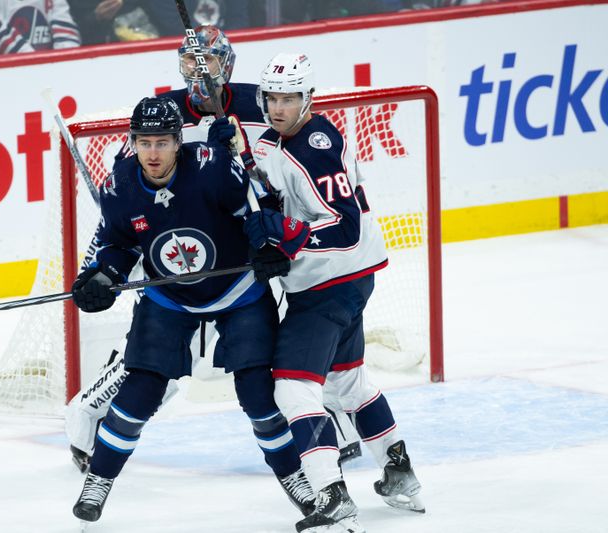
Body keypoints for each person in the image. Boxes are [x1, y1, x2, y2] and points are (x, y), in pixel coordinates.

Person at [64, 23, 362, 475]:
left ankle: (327, 422)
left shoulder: (259, 101)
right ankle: (89, 410)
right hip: (184, 246)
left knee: (285, 346)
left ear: (229, 64)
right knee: (160, 363)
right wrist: (102, 264)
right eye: (188, 61)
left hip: (252, 240)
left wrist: (246, 165)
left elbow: (300, 151)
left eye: (209, 62)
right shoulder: (165, 112)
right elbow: (130, 181)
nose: (198, 71)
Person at [69, 95, 314, 525]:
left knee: (258, 394)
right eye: (144, 143)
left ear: (178, 142)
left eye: (162, 143)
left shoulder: (212, 168)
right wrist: (103, 275)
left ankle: (298, 481)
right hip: (170, 298)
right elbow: (117, 244)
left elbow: (258, 210)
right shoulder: (120, 185)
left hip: (238, 291)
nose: (153, 153)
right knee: (140, 391)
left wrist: (269, 245)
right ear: (133, 143)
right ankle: (99, 481)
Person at [244, 52, 424, 532]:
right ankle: (399, 470)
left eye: (289, 98)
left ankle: (331, 491)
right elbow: (266, 165)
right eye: (271, 98)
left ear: (309, 99)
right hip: (342, 279)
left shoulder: (316, 147)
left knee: (292, 386)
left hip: (331, 281)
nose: (278, 108)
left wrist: (288, 238)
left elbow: (342, 228)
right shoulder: (280, 135)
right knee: (347, 382)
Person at [0, 0, 81, 54]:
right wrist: (35, 64)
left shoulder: (54, 1)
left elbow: (68, 40)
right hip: (12, 75)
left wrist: (58, 65)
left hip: (53, 73)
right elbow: (2, 39)